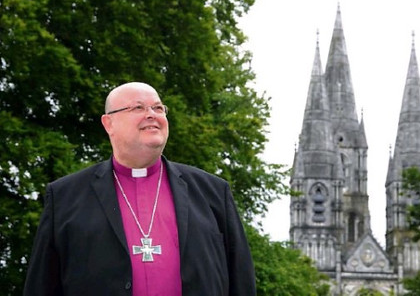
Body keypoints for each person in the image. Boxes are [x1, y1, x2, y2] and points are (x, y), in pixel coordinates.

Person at [23, 82, 256, 296]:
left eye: (158, 108)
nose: (152, 114)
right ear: (108, 123)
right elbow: (41, 287)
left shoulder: (213, 192)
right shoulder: (65, 197)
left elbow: (242, 281)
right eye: (138, 107)